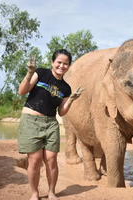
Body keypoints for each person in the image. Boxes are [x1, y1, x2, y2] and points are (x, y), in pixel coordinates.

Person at [17, 49, 85, 200]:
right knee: (34, 160)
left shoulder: (66, 88)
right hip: (31, 121)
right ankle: (35, 193)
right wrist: (29, 74)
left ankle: (51, 192)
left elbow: (61, 112)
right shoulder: (41, 73)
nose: (62, 66)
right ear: (52, 63)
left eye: (65, 63)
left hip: (51, 124)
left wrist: (71, 100)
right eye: (59, 62)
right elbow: (22, 91)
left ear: (69, 66)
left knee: (51, 160)